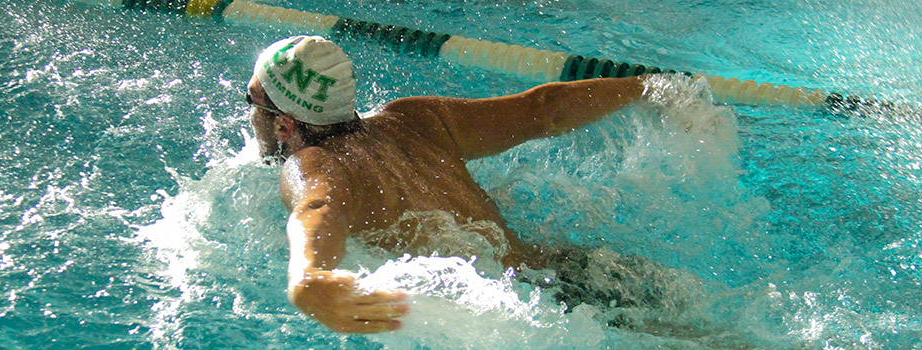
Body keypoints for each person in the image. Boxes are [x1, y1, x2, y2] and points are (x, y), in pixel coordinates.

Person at [247, 35, 649, 334]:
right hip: (567, 269)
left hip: (529, 312)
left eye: (253, 102)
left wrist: (309, 275)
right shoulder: (415, 117)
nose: (249, 116)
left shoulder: (313, 162)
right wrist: (651, 87)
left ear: (284, 124)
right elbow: (545, 110)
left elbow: (318, 207)